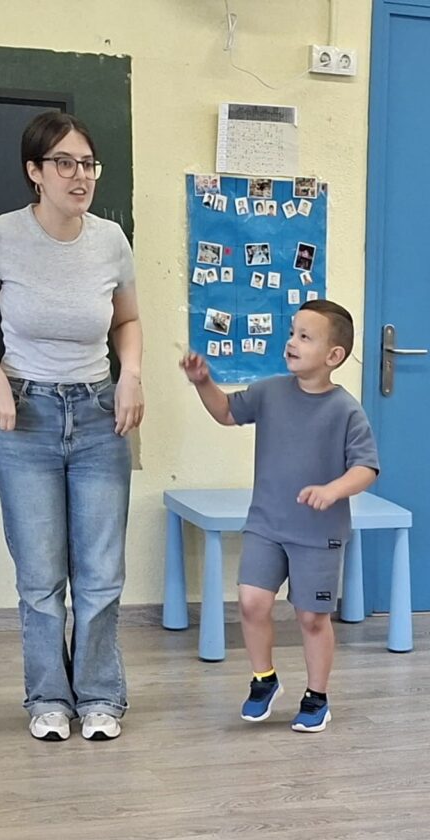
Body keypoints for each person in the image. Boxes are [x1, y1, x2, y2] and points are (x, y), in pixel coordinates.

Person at [0, 109, 141, 743]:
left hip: (98, 415)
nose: (79, 176)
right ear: (35, 171)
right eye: (64, 163)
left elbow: (127, 321)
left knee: (101, 574)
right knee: (39, 578)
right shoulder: (0, 235)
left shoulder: (110, 239)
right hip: (24, 415)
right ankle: (49, 699)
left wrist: (132, 375)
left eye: (87, 163)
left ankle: (101, 697)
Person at [180, 298, 380, 732]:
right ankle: (264, 679)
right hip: (266, 524)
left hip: (319, 534)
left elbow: (366, 468)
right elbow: (226, 412)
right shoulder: (269, 392)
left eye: (305, 337)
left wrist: (332, 490)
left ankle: (317, 697)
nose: (291, 342)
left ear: (334, 356)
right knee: (252, 602)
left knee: (311, 617)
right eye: (292, 333)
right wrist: (203, 382)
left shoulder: (346, 410)